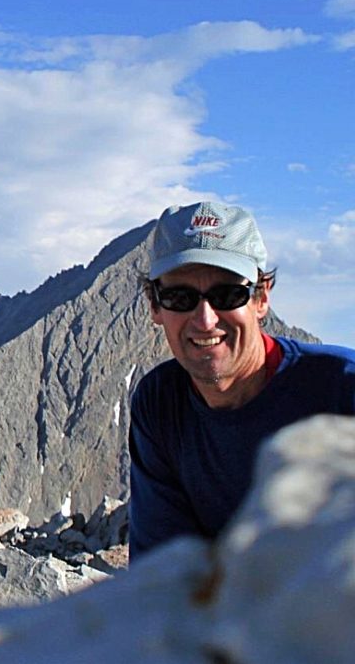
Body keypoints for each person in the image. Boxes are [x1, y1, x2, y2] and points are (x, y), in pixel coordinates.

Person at [129, 201, 355, 558]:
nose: (205, 320)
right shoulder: (160, 402)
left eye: (227, 295)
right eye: (179, 297)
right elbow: (162, 576)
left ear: (261, 298)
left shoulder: (343, 388)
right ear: (154, 306)